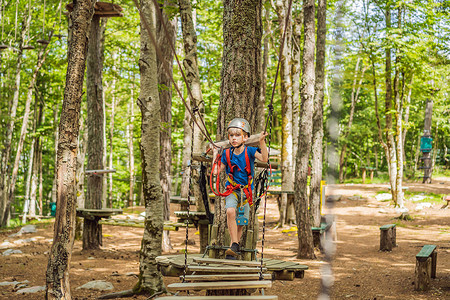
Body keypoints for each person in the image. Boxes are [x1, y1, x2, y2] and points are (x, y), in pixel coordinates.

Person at [213, 118, 268, 259]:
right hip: (232, 189)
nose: (234, 138)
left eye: (237, 135)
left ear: (245, 137)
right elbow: (215, 172)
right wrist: (215, 154)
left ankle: (233, 247)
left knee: (241, 222)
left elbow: (264, 159)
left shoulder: (250, 151)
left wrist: (262, 142)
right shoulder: (226, 154)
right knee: (230, 211)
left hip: (246, 191)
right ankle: (235, 244)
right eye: (231, 135)